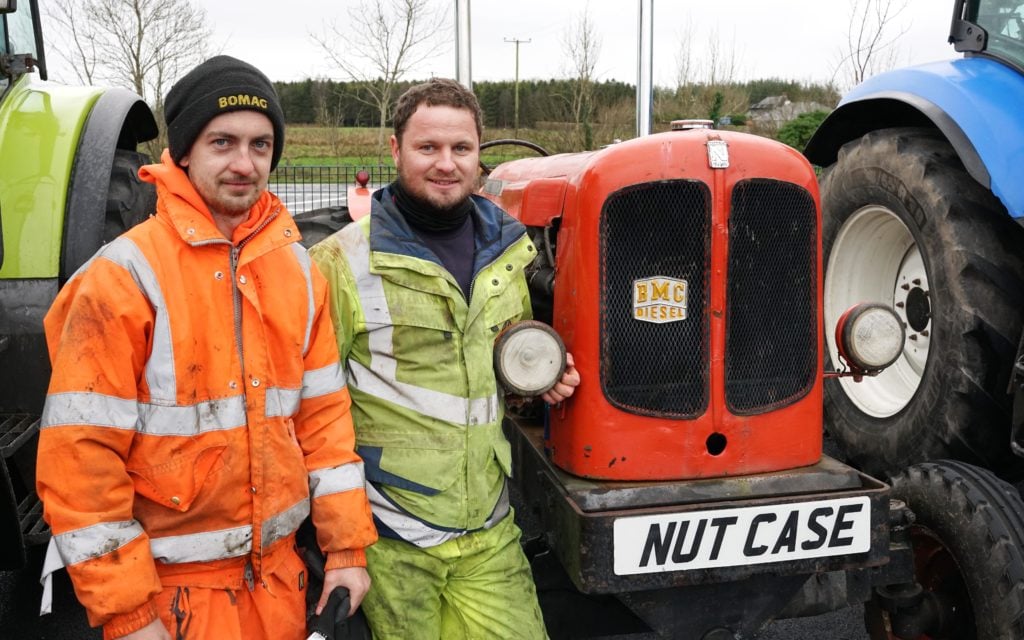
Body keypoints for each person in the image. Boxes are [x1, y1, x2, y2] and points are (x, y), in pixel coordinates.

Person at [35, 55, 377, 640]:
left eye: (261, 145)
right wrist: (128, 614)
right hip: (173, 602)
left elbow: (323, 426)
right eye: (223, 142)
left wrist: (346, 549)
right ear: (185, 151)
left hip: (282, 587)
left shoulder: (297, 271)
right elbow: (81, 465)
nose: (245, 164)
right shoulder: (122, 279)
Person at [309, 78, 580, 639]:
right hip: (392, 536)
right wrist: (342, 545)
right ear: (394, 150)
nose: (446, 164)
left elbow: (497, 372)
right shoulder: (339, 263)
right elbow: (311, 410)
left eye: (461, 148)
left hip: (488, 528)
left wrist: (539, 381)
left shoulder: (508, 253)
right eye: (427, 148)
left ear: (480, 153)